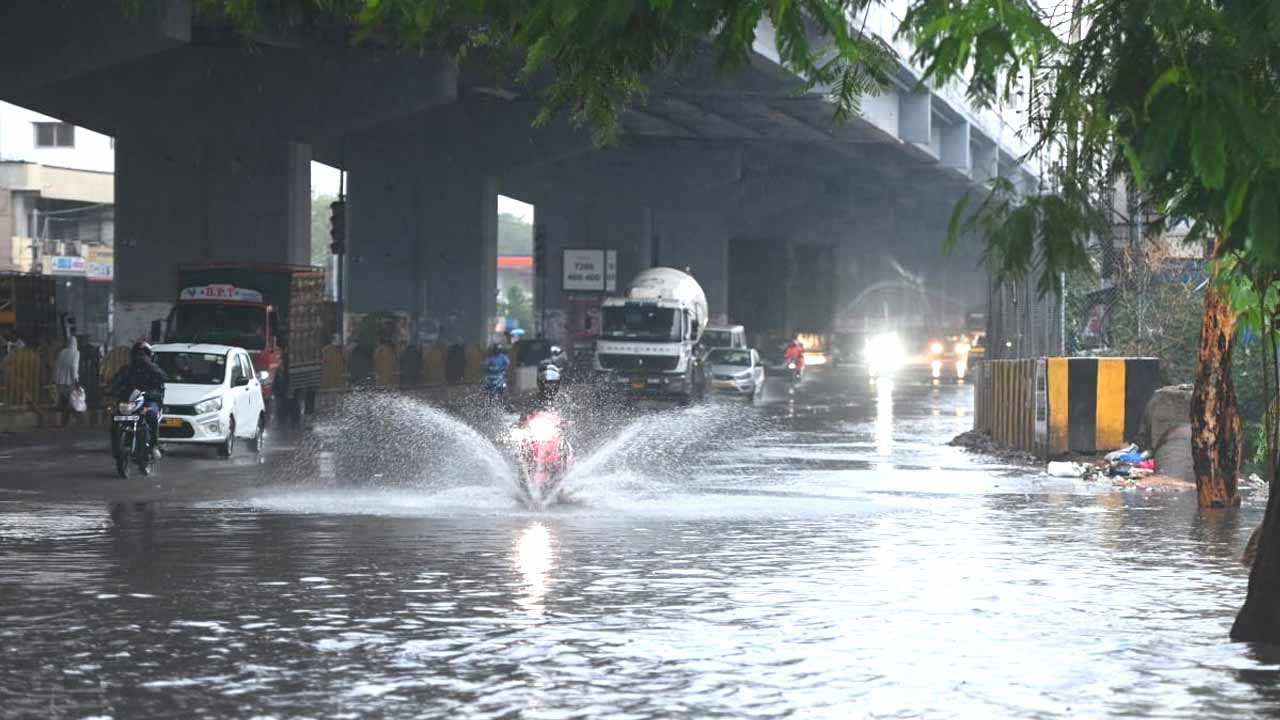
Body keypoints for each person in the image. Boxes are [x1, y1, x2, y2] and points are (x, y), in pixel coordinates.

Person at [109, 342, 168, 458]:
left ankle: (153, 445)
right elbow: (116, 381)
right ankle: (116, 447)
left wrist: (150, 366)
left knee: (151, 415)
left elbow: (164, 377)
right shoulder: (127, 369)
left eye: (144, 354)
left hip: (149, 401)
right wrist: (109, 390)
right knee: (115, 417)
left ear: (149, 355)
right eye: (138, 354)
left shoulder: (153, 369)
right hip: (130, 402)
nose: (140, 356)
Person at [54, 335, 81, 427]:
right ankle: (79, 419)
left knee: (64, 402)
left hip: (60, 381)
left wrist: (55, 379)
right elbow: (74, 367)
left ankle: (64, 422)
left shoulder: (62, 352)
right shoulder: (76, 353)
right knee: (72, 402)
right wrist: (76, 380)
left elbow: (57, 366)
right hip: (70, 381)